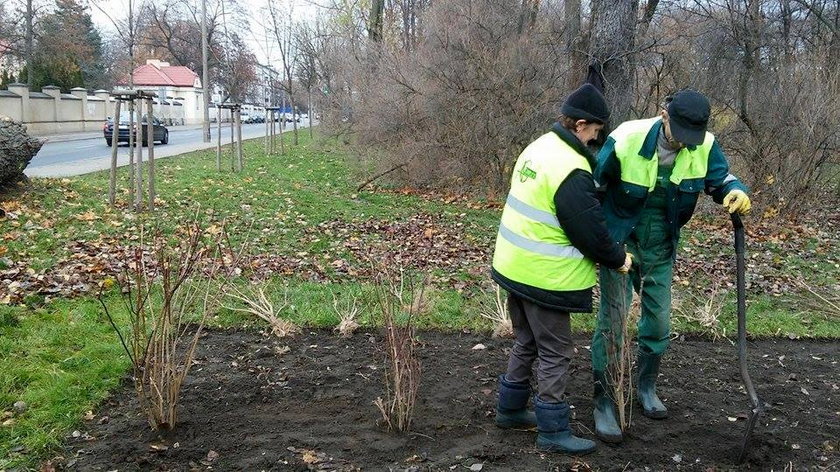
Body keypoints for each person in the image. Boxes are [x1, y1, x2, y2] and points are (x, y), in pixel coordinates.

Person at [589, 89, 751, 443]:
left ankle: (645, 387)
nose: (684, 143)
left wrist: (734, 191)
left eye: (691, 137)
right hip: (620, 241)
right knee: (613, 321)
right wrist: (601, 244)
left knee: (659, 321)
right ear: (664, 115)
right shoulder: (626, 138)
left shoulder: (704, 144)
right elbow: (595, 189)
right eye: (679, 132)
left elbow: (720, 179)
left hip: (661, 244)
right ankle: (603, 401)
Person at [491, 83, 633, 455]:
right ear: (580, 124)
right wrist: (620, 259)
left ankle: (510, 409)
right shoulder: (570, 167)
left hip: (514, 265)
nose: (596, 138)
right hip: (545, 276)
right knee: (556, 351)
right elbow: (589, 232)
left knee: (527, 340)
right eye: (595, 131)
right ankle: (553, 429)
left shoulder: (540, 146)